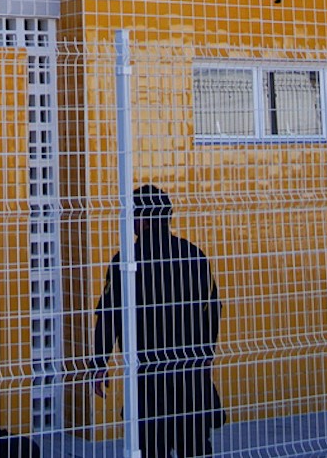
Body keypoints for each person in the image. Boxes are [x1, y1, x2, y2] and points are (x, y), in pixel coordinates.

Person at [91, 185, 225, 458]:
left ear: (143, 219)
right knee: (196, 446)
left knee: (152, 447)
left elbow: (109, 317)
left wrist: (98, 363)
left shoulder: (126, 261)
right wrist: (206, 354)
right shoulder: (194, 255)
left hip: (149, 373)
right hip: (191, 371)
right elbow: (212, 310)